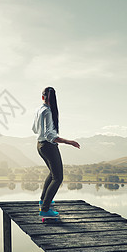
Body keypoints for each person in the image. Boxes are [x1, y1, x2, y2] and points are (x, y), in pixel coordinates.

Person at [32, 87, 80, 217]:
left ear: (42, 97)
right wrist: (69, 142)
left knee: (53, 174)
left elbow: (34, 129)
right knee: (58, 177)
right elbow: (50, 135)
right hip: (48, 146)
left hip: (39, 146)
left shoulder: (38, 110)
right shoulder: (48, 112)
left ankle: (43, 200)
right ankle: (45, 209)